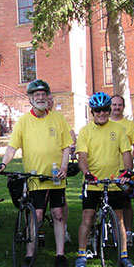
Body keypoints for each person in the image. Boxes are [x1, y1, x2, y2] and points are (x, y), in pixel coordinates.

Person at [0, 79, 72, 267]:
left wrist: (64, 166)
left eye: (43, 94)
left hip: (55, 177)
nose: (40, 97)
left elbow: (66, 147)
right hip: (35, 178)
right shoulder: (23, 121)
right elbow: (12, 147)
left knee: (58, 214)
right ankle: (30, 254)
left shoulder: (58, 118)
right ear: (30, 99)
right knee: (34, 216)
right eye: (36, 95)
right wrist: (4, 163)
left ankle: (60, 255)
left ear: (48, 97)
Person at [74, 92, 134, 267]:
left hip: (114, 181)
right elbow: (82, 156)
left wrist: (126, 171)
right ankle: (81, 254)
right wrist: (87, 173)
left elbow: (126, 153)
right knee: (88, 217)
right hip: (93, 182)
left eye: (105, 110)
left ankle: (124, 256)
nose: (102, 113)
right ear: (92, 112)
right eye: (98, 110)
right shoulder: (85, 131)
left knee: (119, 219)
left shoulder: (118, 129)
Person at [110, 95, 134, 246]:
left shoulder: (130, 125)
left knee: (125, 202)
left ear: (123, 107)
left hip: (123, 170)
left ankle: (128, 232)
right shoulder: (105, 123)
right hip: (108, 169)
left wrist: (131, 166)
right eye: (114, 105)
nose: (117, 107)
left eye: (119, 105)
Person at [47, 93, 77, 244]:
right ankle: (31, 230)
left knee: (61, 202)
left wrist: (70, 148)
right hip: (39, 167)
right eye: (47, 99)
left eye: (51, 99)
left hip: (57, 169)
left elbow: (71, 136)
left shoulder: (59, 118)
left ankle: (63, 230)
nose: (49, 102)